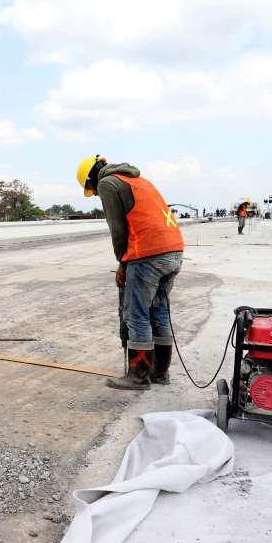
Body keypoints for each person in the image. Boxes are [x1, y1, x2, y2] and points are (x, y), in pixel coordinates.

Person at [76, 155, 185, 390]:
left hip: (148, 254)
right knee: (159, 311)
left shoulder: (108, 183)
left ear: (91, 179)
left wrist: (122, 262)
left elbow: (117, 229)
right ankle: (159, 374)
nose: (95, 194)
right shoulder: (138, 179)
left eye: (91, 190)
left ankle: (138, 376)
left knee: (137, 314)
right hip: (174, 250)